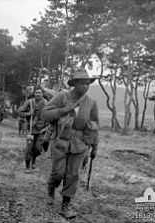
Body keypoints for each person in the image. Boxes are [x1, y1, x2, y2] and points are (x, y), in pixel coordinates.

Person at [41, 69, 99, 219]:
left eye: (88, 84)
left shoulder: (91, 103)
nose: (86, 86)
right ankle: (51, 189)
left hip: (80, 144)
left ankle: (65, 205)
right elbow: (45, 114)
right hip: (60, 140)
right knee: (58, 173)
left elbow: (94, 126)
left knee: (72, 175)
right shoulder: (62, 96)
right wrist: (63, 110)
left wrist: (94, 147)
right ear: (74, 84)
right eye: (82, 83)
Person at [18, 86, 48, 170]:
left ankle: (34, 159)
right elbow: (19, 111)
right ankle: (27, 166)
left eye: (39, 93)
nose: (38, 94)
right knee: (28, 149)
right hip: (31, 130)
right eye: (36, 92)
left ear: (43, 94)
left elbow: (50, 115)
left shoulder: (46, 103)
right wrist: (28, 113)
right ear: (34, 94)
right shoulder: (30, 102)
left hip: (41, 130)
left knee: (38, 149)